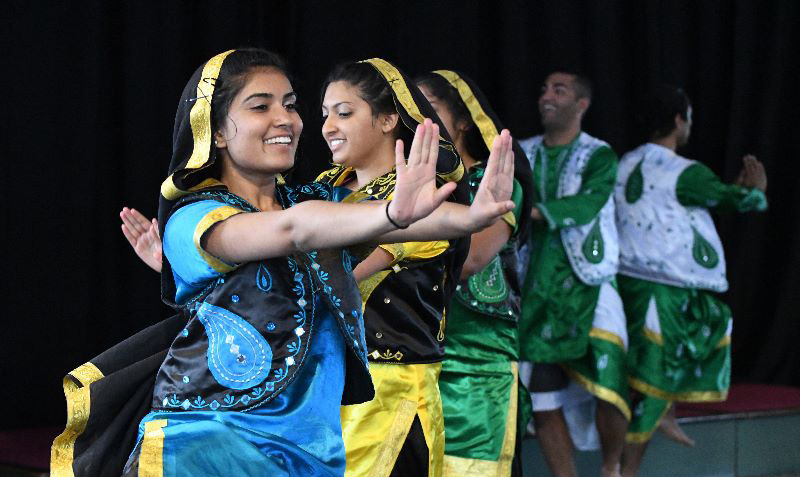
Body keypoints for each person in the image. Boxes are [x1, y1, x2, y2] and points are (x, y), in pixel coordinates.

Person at [50, 48, 518, 477]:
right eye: (260, 106)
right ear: (214, 131)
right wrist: (389, 214)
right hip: (211, 446)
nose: (287, 119)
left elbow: (406, 223)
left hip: (309, 450)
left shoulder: (319, 201)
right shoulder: (193, 216)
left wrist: (471, 216)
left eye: (290, 104)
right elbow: (293, 230)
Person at [314, 58, 471, 477]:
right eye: (325, 114)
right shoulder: (323, 191)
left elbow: (342, 275)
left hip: (388, 398)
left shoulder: (427, 198)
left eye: (344, 113)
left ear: (387, 119)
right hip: (322, 390)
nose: (329, 126)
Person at [615, 85, 767, 476]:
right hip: (663, 290)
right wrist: (755, 193)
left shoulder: (624, 163)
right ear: (679, 121)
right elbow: (734, 199)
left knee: (653, 373)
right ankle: (622, 470)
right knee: (653, 380)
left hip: (629, 285)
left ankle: (665, 411)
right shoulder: (684, 171)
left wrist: (730, 191)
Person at [413, 70, 534, 477]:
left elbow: (473, 258)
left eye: (430, 107)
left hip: (477, 362)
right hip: (418, 362)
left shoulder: (498, 180)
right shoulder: (416, 187)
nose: (420, 119)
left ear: (464, 119)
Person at [517, 71, 630, 477]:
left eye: (558, 90)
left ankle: (611, 469)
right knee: (542, 396)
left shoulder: (599, 154)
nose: (546, 95)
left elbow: (588, 203)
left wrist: (529, 211)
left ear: (581, 104)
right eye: (543, 88)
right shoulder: (523, 151)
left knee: (610, 382)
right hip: (535, 286)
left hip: (591, 280)